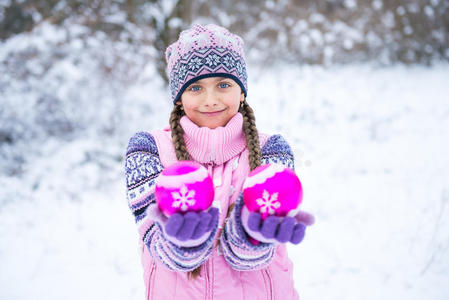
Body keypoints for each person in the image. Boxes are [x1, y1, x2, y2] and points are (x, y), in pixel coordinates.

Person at [124, 24, 315, 300]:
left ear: (242, 91)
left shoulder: (271, 150)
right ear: (179, 99)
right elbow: (156, 242)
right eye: (196, 87)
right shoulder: (148, 149)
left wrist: (252, 234)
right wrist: (183, 243)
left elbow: (252, 258)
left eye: (223, 85)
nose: (210, 100)